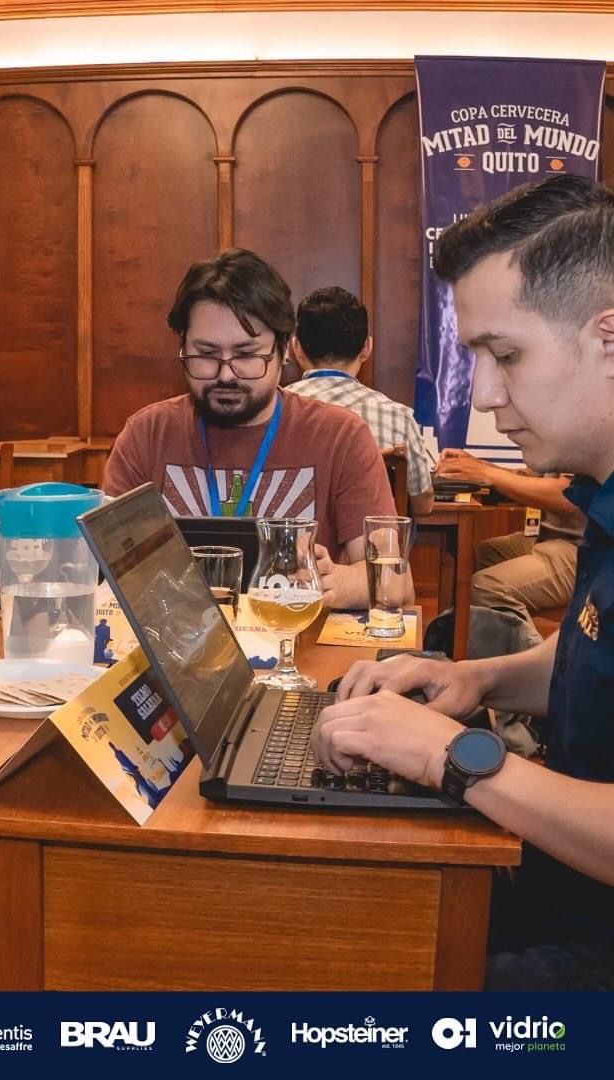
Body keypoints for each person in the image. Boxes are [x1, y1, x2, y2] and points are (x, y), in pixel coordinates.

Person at [313, 174, 614, 989]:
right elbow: (590, 660)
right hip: (559, 880)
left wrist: (455, 757)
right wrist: (470, 677)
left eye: (504, 355)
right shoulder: (602, 492)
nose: (481, 395)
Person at [102, 249, 406, 609]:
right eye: (206, 354)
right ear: (181, 346)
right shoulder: (147, 435)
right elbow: (106, 568)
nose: (226, 373)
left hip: (296, 653)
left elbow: (396, 581)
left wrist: (336, 581)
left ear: (285, 349)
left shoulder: (341, 436)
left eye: (247, 355)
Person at [288, 286, 434, 517]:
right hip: (374, 548)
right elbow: (422, 505)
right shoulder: (398, 416)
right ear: (367, 348)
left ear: (295, 348)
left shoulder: (274, 411)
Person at [436, 448, 583, 626]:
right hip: (545, 538)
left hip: (584, 549)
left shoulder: (590, 431)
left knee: (485, 588)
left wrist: (486, 473)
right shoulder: (563, 432)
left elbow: (569, 496)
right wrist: (476, 465)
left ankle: (534, 653)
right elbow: (528, 478)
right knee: (464, 557)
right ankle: (455, 645)